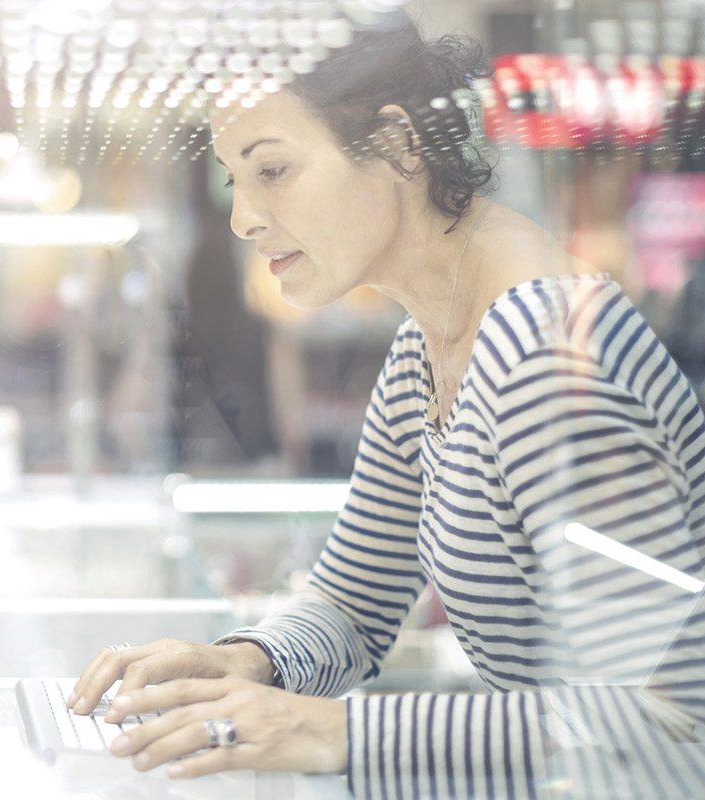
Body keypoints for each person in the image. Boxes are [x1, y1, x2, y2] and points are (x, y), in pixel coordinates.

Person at [67, 13, 705, 799]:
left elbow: (673, 719)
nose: (243, 218)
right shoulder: (425, 353)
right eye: (236, 180)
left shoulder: (541, 354)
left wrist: (321, 730)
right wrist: (244, 661)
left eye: (273, 171)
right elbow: (355, 602)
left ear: (400, 145)